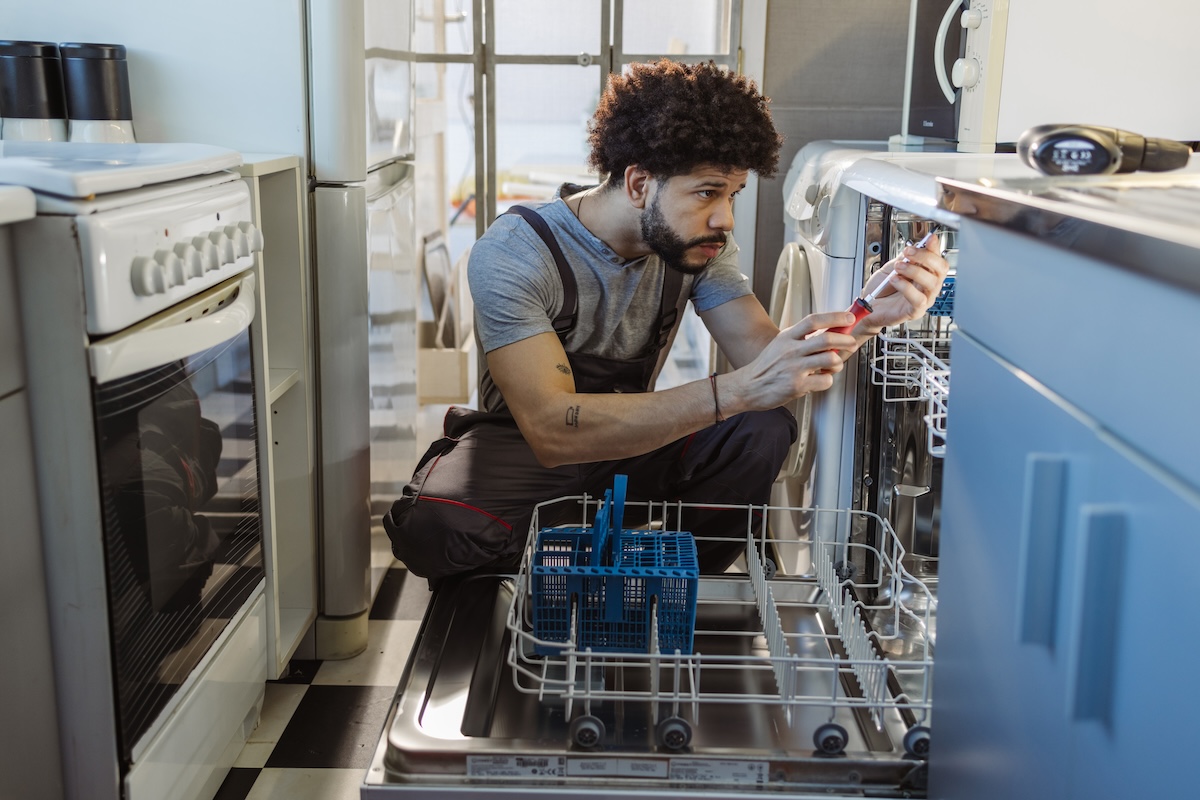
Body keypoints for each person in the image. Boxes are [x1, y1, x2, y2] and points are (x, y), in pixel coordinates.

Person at [384, 59, 949, 584]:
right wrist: (733, 391)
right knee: (435, 529)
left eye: (733, 193)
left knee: (763, 428)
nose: (725, 218)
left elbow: (764, 355)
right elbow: (551, 428)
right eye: (707, 192)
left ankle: (674, 582)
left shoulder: (698, 246)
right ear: (637, 184)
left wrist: (867, 316)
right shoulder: (517, 252)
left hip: (635, 446)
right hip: (529, 451)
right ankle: (580, 564)